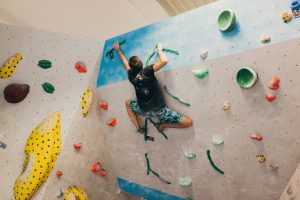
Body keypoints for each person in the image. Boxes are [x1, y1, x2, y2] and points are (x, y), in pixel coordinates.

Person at [113, 42, 192, 133]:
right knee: (188, 122)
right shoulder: (146, 71)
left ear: (132, 69)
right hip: (160, 111)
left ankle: (139, 128)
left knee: (128, 103)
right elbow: (164, 61)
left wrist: (118, 50)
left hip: (143, 111)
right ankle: (163, 125)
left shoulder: (132, 77)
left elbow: (125, 63)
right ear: (142, 64)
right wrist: (159, 50)